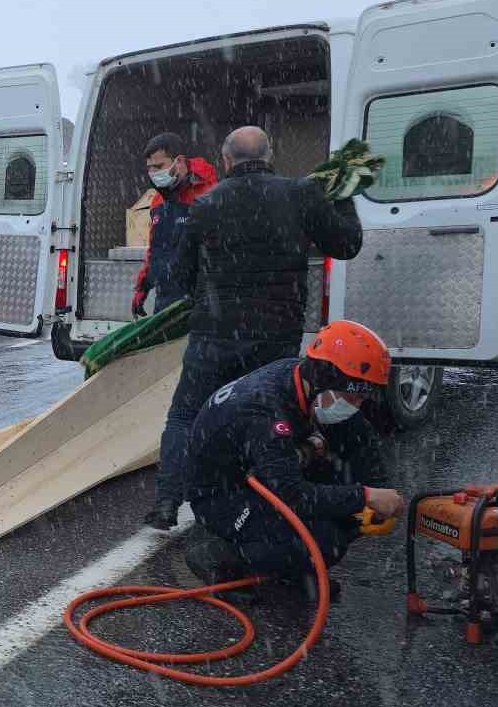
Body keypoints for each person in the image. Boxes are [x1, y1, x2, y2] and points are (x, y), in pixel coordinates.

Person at [145, 125, 364, 530]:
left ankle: (166, 502)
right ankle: (264, 502)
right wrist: (344, 194)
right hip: (274, 336)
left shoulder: (206, 204)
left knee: (185, 416)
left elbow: (180, 273)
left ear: (226, 160)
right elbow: (347, 245)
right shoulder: (301, 194)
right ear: (271, 153)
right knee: (267, 417)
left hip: (213, 334)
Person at [183, 320, 406, 603]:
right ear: (325, 381)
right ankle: (219, 556)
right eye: (353, 396)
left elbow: (358, 436)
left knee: (346, 504)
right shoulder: (263, 411)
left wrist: (379, 488)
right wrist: (364, 496)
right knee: (326, 542)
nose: (357, 404)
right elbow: (294, 496)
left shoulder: (301, 376)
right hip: (222, 496)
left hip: (258, 469)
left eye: (362, 398)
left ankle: (290, 566)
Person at [131, 133, 218, 318]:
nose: (154, 173)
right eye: (150, 168)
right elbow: (155, 249)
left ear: (178, 162)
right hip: (166, 299)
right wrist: (143, 287)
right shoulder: (157, 202)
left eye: (159, 166)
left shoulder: (209, 195)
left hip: (202, 300)